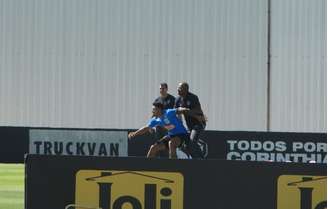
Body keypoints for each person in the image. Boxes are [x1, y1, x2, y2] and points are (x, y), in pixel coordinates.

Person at [128, 102, 194, 159]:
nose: (152, 111)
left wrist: (187, 110)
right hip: (171, 135)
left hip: (182, 135)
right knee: (153, 148)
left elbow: (179, 110)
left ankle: (174, 167)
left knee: (171, 143)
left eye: (154, 109)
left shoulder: (168, 112)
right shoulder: (155, 120)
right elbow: (146, 128)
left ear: (159, 109)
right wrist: (135, 133)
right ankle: (146, 167)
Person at [175, 82, 207, 159]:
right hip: (189, 125)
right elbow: (175, 111)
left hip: (199, 123)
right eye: (178, 87)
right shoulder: (178, 99)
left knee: (192, 141)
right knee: (187, 144)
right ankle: (195, 159)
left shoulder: (193, 97)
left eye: (180, 88)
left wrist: (185, 111)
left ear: (186, 89)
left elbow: (198, 110)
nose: (177, 89)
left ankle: (202, 160)